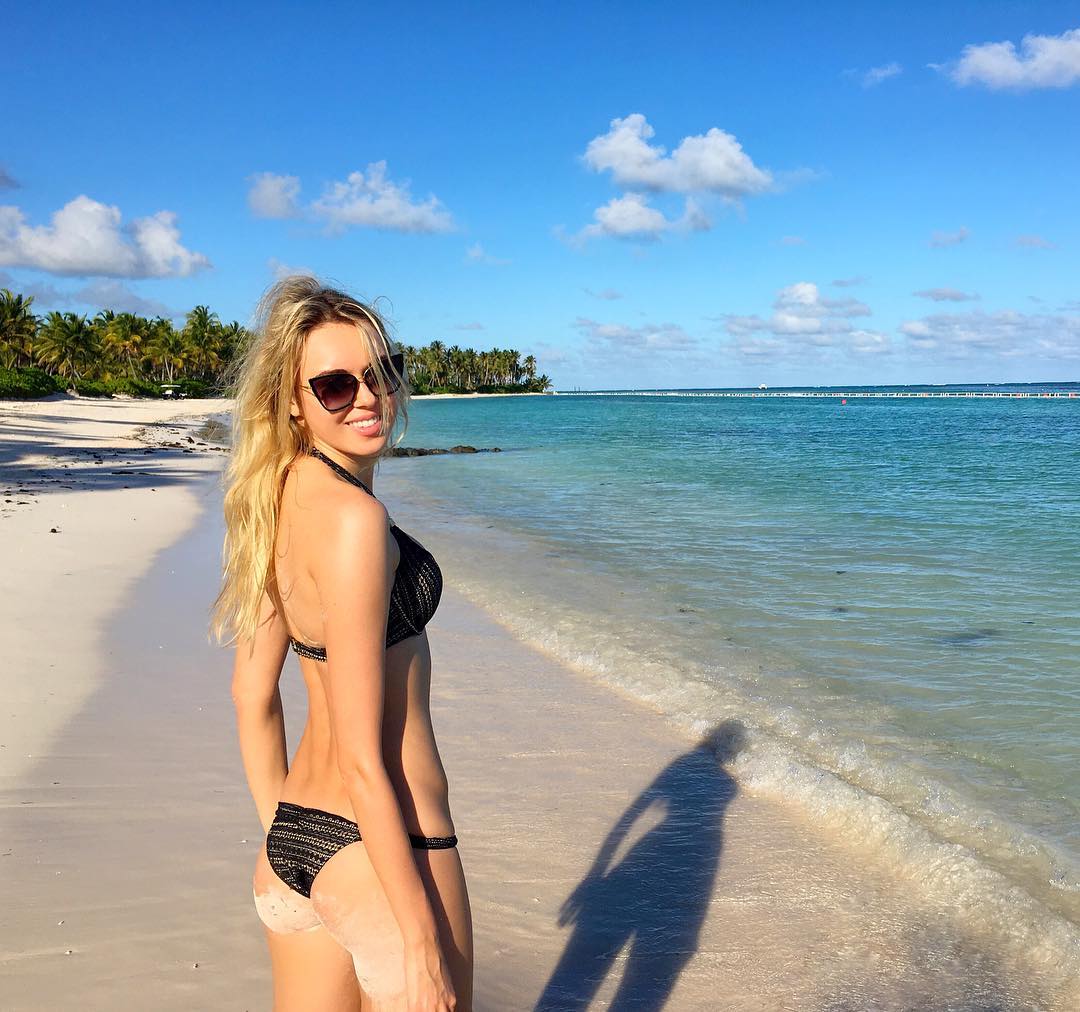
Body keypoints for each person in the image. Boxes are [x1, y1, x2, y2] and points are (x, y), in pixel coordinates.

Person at [212, 276, 473, 1011]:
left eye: (381, 372)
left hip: (293, 841)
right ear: (293, 401)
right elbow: (363, 757)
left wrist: (287, 841)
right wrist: (420, 941)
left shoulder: (275, 496)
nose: (368, 397)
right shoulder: (356, 521)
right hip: (388, 850)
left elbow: (251, 696)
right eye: (334, 385)